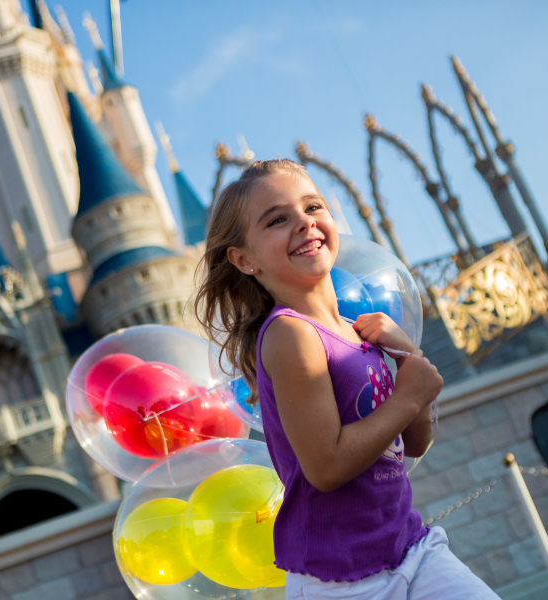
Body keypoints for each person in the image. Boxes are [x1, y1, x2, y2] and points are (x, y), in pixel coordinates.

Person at [196, 159, 498, 599]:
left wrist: (408, 360)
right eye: (277, 220)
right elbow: (327, 467)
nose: (304, 222)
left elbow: (414, 443)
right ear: (244, 259)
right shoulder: (290, 334)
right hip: (342, 580)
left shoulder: (358, 331)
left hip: (409, 547)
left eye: (312, 207)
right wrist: (409, 397)